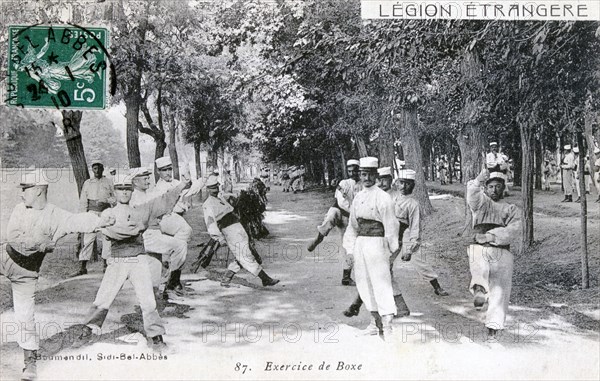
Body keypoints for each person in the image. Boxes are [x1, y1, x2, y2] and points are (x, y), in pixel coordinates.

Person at [1, 171, 115, 381]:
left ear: (37, 191)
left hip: (26, 274)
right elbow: (13, 238)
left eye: (24, 190)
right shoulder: (19, 209)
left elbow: (79, 220)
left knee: (25, 317)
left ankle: (30, 363)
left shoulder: (57, 215)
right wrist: (41, 243)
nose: (21, 194)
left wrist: (102, 219)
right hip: (4, 258)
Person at [76, 174, 187, 352]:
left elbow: (163, 201)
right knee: (104, 297)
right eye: (121, 189)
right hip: (118, 260)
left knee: (148, 300)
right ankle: (88, 329)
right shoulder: (108, 213)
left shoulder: (140, 210)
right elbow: (114, 233)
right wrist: (136, 228)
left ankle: (156, 336)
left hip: (138, 259)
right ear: (115, 191)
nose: (125, 192)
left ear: (132, 190)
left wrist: (182, 185)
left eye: (128, 189)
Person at [343, 157, 399, 340]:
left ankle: (388, 326)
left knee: (381, 283)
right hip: (361, 244)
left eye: (370, 174)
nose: (366, 177)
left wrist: (391, 251)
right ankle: (375, 323)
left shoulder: (383, 198)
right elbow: (352, 226)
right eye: (363, 174)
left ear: (376, 176)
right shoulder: (358, 197)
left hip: (377, 244)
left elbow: (391, 226)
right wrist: (350, 250)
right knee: (364, 283)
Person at [466, 166, 521, 340]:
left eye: (498, 186)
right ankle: (480, 290)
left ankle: (493, 332)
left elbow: (514, 229)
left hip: (501, 249)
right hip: (480, 246)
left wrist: (491, 235)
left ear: (503, 188)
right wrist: (478, 180)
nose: (494, 190)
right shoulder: (481, 203)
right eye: (490, 186)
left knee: (500, 292)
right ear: (486, 188)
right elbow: (472, 195)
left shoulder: (511, 209)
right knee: (478, 265)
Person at [203, 176, 280, 287]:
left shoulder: (221, 197)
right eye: (212, 188)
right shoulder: (208, 204)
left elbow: (232, 203)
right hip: (228, 229)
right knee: (245, 255)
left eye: (216, 186)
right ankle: (265, 278)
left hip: (237, 226)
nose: (215, 189)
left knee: (243, 254)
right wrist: (218, 237)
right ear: (207, 189)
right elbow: (210, 223)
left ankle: (226, 278)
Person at [129, 167, 190, 299]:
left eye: (148, 177)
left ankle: (155, 302)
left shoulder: (148, 194)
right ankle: (172, 284)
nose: (148, 180)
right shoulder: (134, 198)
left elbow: (165, 199)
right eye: (144, 178)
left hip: (154, 233)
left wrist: (182, 185)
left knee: (154, 272)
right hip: (146, 235)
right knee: (180, 245)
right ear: (135, 181)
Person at [307, 159, 361, 286]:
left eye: (355, 171)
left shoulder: (363, 185)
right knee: (331, 215)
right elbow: (340, 201)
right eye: (349, 171)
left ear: (359, 171)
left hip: (351, 218)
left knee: (348, 246)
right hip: (339, 210)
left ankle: (346, 276)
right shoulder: (344, 182)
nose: (352, 173)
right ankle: (319, 237)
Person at [153, 157, 194, 295]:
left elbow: (188, 194)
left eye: (170, 169)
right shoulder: (159, 188)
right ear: (159, 172)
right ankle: (171, 280)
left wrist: (189, 184)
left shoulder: (176, 182)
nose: (168, 173)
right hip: (166, 219)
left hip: (178, 218)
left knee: (181, 245)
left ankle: (174, 280)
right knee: (182, 237)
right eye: (164, 170)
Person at [71, 159, 115, 277]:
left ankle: (106, 265)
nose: (97, 170)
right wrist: (82, 216)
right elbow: (83, 201)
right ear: (92, 169)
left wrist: (107, 201)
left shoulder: (109, 182)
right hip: (91, 213)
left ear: (103, 168)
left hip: (105, 212)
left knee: (107, 238)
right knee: (88, 240)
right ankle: (83, 267)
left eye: (99, 168)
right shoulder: (88, 183)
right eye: (95, 168)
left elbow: (114, 197)